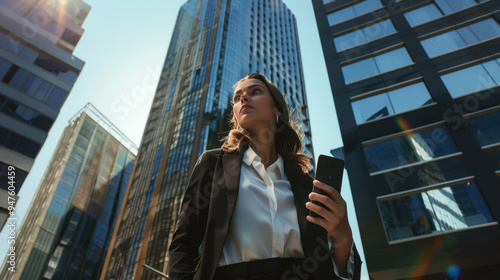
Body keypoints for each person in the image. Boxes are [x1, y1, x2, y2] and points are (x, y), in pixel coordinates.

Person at [168, 73, 362, 280]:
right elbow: (183, 243)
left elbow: (333, 268)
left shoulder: (306, 185)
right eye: (237, 97)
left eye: (255, 91)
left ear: (276, 110)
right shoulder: (213, 165)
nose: (243, 98)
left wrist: (343, 235)